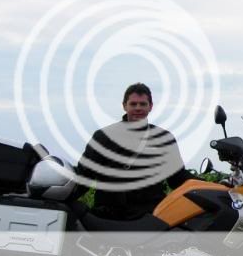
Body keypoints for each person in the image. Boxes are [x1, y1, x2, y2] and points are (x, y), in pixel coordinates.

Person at [75, 83, 192, 220]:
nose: (138, 108)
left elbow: (178, 178)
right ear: (124, 106)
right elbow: (84, 176)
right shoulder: (103, 137)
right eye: (133, 104)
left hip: (151, 217)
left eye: (143, 104)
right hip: (108, 217)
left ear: (150, 106)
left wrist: (210, 187)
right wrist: (61, 196)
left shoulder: (163, 138)